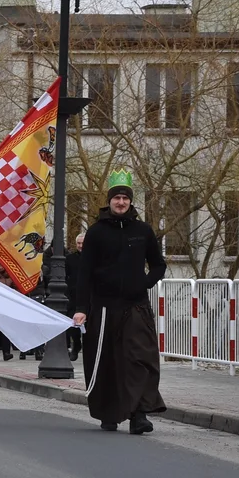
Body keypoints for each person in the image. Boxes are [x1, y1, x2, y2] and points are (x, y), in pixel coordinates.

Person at [74, 170, 166, 435]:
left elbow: (159, 266)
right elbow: (85, 275)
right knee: (106, 362)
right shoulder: (96, 233)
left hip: (136, 306)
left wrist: (144, 284)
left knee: (140, 359)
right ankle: (108, 413)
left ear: (130, 202)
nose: (121, 202)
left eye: (125, 198)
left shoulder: (143, 231)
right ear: (110, 200)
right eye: (117, 198)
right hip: (103, 308)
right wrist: (81, 309)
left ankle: (139, 415)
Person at [66, 233, 84, 361]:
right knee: (73, 324)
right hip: (73, 295)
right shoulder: (70, 258)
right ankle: (76, 345)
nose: (80, 246)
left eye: (83, 243)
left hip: (90, 295)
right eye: (78, 243)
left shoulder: (95, 258)